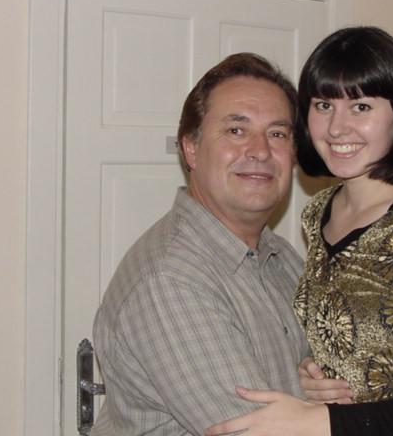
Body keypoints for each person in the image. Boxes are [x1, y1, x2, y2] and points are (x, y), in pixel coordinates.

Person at [206, 26, 393, 436]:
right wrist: (311, 375)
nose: (337, 128)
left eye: (360, 107)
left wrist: (323, 420)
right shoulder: (319, 213)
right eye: (324, 105)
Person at [91, 53, 310, 436]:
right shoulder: (173, 280)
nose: (260, 150)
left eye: (278, 134)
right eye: (236, 130)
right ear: (191, 148)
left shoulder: (280, 257)